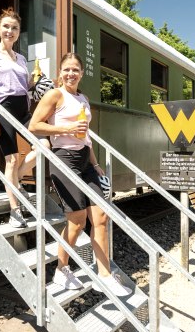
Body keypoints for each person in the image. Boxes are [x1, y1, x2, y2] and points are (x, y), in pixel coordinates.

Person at [28, 53, 131, 297]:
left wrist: (95, 164)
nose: (71, 74)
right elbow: (34, 125)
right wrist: (66, 128)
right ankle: (61, 269)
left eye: (75, 70)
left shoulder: (83, 98)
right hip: (64, 159)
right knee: (77, 221)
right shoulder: (55, 94)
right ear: (60, 73)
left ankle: (104, 275)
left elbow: (85, 135)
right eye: (66, 70)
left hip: (85, 161)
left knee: (102, 217)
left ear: (81, 73)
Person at [0, 7, 45, 228]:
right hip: (3, 106)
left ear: (19, 32)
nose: (10, 30)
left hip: (23, 108)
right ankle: (15, 211)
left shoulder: (21, 58)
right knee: (13, 158)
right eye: (6, 26)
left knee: (43, 146)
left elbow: (25, 86)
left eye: (14, 28)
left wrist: (37, 82)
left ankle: (14, 182)